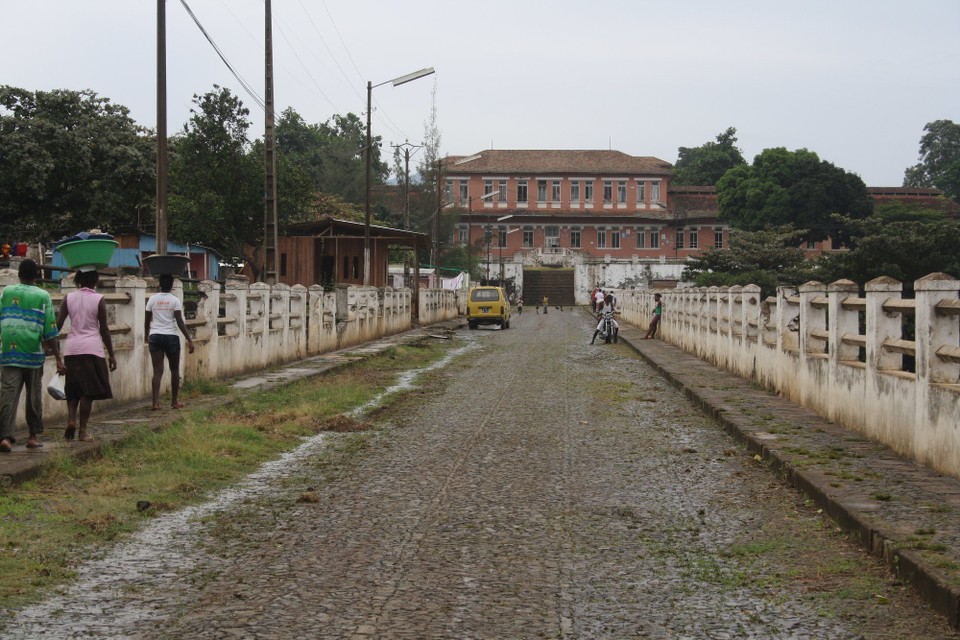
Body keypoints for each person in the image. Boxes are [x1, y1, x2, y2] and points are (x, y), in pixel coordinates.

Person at [0, 260, 66, 452]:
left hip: (9, 353)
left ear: (18, 274)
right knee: (33, 396)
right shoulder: (42, 295)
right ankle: (33, 436)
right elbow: (50, 332)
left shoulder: (6, 292)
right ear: (36, 275)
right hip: (33, 354)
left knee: (8, 395)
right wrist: (59, 359)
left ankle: (4, 436)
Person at [56, 269, 116, 442]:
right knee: (87, 393)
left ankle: (71, 419)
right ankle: (82, 431)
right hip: (91, 349)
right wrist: (111, 354)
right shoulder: (98, 300)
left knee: (73, 389)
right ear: (95, 280)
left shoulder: (68, 298)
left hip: (72, 349)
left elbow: (58, 324)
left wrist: (49, 344)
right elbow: (104, 329)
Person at [145, 274, 195, 410]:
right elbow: (179, 321)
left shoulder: (152, 299)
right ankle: (174, 401)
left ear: (160, 284)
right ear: (171, 285)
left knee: (157, 371)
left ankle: (155, 402)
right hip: (171, 337)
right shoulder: (175, 300)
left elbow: (147, 319)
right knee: (174, 369)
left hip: (155, 336)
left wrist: (146, 336)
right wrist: (189, 339)